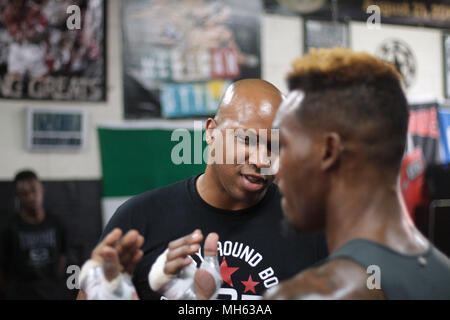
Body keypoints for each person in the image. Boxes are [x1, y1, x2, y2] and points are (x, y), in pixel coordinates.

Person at [78, 79, 328, 300]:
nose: (262, 160)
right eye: (247, 139)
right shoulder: (140, 219)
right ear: (211, 133)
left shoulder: (310, 224)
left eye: (275, 146)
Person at [265, 48, 450, 300]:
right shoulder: (442, 274)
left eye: (283, 146)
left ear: (329, 151)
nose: (275, 168)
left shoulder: (309, 295)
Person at [0, 170, 68, 299]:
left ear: (42, 190)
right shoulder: (9, 228)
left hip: (51, 293)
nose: (31, 197)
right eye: (24, 194)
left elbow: (62, 255)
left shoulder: (56, 223)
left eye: (34, 191)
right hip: (20, 294)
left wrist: (52, 282)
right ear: (18, 196)